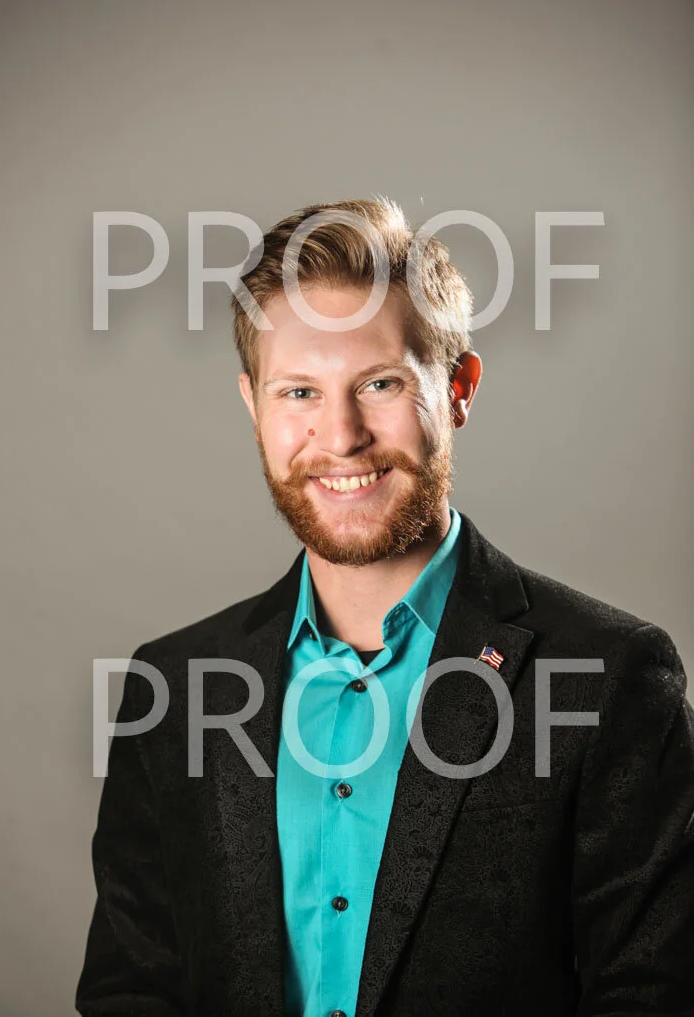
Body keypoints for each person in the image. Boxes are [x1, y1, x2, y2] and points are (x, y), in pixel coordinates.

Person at [76, 198, 694, 1017]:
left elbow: (652, 996)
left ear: (459, 389)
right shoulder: (177, 687)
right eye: (299, 391)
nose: (340, 436)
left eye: (380, 383)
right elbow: (132, 992)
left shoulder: (607, 677)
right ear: (253, 406)